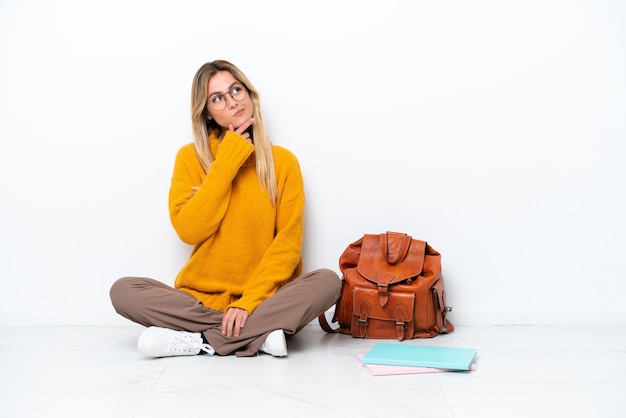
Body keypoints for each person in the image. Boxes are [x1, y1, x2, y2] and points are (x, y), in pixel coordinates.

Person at [110, 60, 341, 358]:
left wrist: (248, 302)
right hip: (199, 302)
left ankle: (201, 340)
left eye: (236, 90)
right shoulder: (190, 158)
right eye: (218, 98)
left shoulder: (283, 163)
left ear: (249, 94)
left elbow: (287, 247)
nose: (232, 102)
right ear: (207, 112)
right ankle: (258, 335)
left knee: (328, 281)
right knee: (123, 290)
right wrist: (228, 161)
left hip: (262, 299)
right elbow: (189, 230)